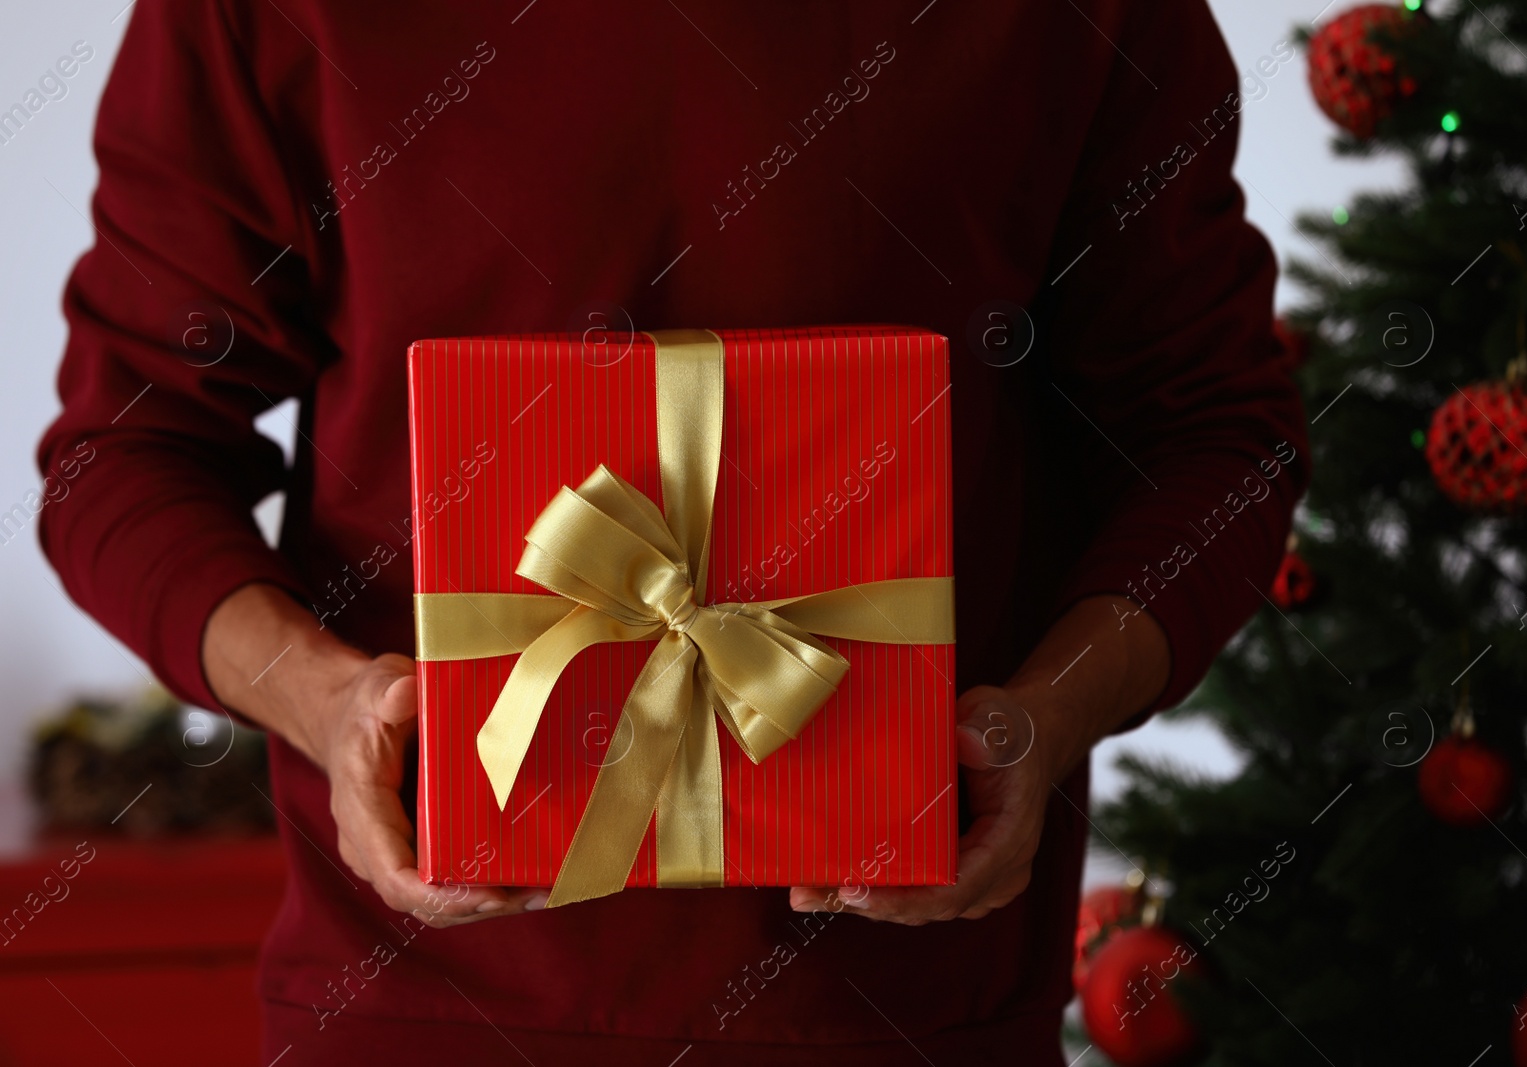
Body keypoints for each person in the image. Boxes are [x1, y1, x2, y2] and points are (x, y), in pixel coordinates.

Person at [40, 1, 1306, 1063]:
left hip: (908, 1015)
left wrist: (1047, 714)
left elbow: (1214, 432)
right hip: (418, 1012)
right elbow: (124, 454)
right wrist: (329, 704)